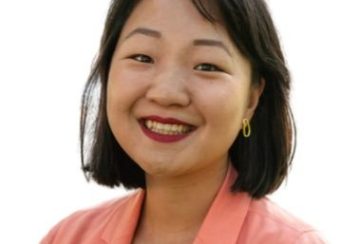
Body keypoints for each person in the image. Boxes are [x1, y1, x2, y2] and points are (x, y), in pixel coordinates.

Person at [42, 0, 325, 243]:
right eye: (142, 57)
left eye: (207, 66)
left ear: (252, 98)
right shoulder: (69, 236)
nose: (166, 94)